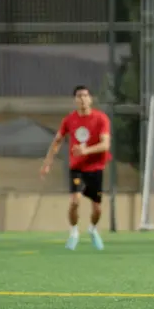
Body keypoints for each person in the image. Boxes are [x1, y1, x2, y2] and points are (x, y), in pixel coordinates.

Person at [41, 85, 112, 251]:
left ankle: (93, 229)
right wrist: (47, 162)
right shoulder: (69, 120)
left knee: (97, 207)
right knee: (75, 201)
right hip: (77, 167)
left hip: (95, 167)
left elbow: (105, 144)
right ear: (75, 100)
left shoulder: (101, 119)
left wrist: (86, 150)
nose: (82, 99)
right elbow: (57, 141)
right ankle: (73, 232)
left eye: (85, 95)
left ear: (90, 99)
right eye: (79, 96)